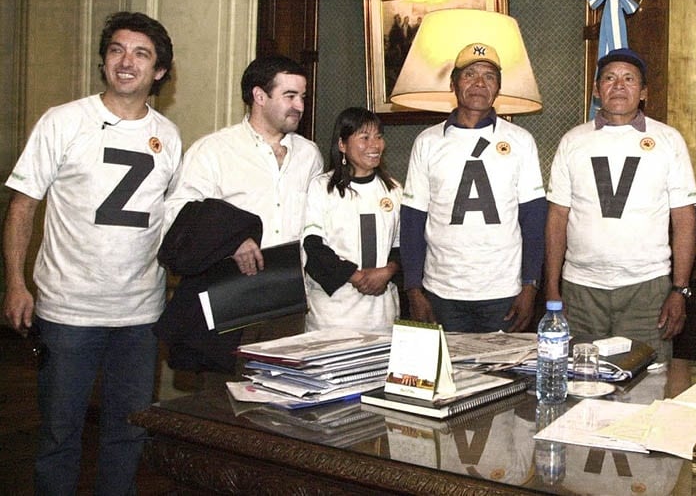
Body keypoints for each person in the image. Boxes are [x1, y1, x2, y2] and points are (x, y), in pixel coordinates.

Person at [2, 11, 181, 494]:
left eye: (141, 54)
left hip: (140, 316)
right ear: (104, 61)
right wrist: (17, 284)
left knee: (128, 432)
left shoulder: (170, 136)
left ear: (159, 71)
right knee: (60, 435)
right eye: (117, 50)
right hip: (67, 312)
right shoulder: (63, 122)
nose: (127, 62)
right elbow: (22, 207)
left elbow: (171, 221)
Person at [155, 55, 323, 373]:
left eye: (302, 96)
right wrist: (231, 240)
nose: (299, 105)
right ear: (259, 96)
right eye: (290, 96)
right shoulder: (214, 151)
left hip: (287, 304)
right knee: (223, 406)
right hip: (230, 300)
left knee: (282, 405)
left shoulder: (309, 155)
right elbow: (176, 217)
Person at [545, 48, 696, 362]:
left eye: (629, 79)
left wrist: (679, 289)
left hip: (647, 291)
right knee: (580, 386)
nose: (619, 86)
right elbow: (557, 217)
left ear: (643, 92)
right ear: (597, 90)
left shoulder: (668, 140)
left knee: (647, 391)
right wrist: (551, 288)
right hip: (580, 291)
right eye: (610, 78)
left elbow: (684, 219)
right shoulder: (573, 141)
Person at [400, 42, 546, 333]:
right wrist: (413, 289)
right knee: (446, 375)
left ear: (499, 88)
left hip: (503, 291)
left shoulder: (520, 141)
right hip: (442, 291)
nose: (479, 83)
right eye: (470, 75)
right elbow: (413, 220)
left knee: (504, 375)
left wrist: (531, 285)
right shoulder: (427, 142)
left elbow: (533, 219)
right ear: (453, 84)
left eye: (489, 76)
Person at [302, 107, 401, 334]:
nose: (374, 145)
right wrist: (356, 276)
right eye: (364, 138)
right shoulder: (321, 188)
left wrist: (388, 271)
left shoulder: (393, 190)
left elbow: (401, 246)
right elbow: (313, 246)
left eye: (378, 137)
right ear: (342, 145)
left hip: (380, 316)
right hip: (332, 316)